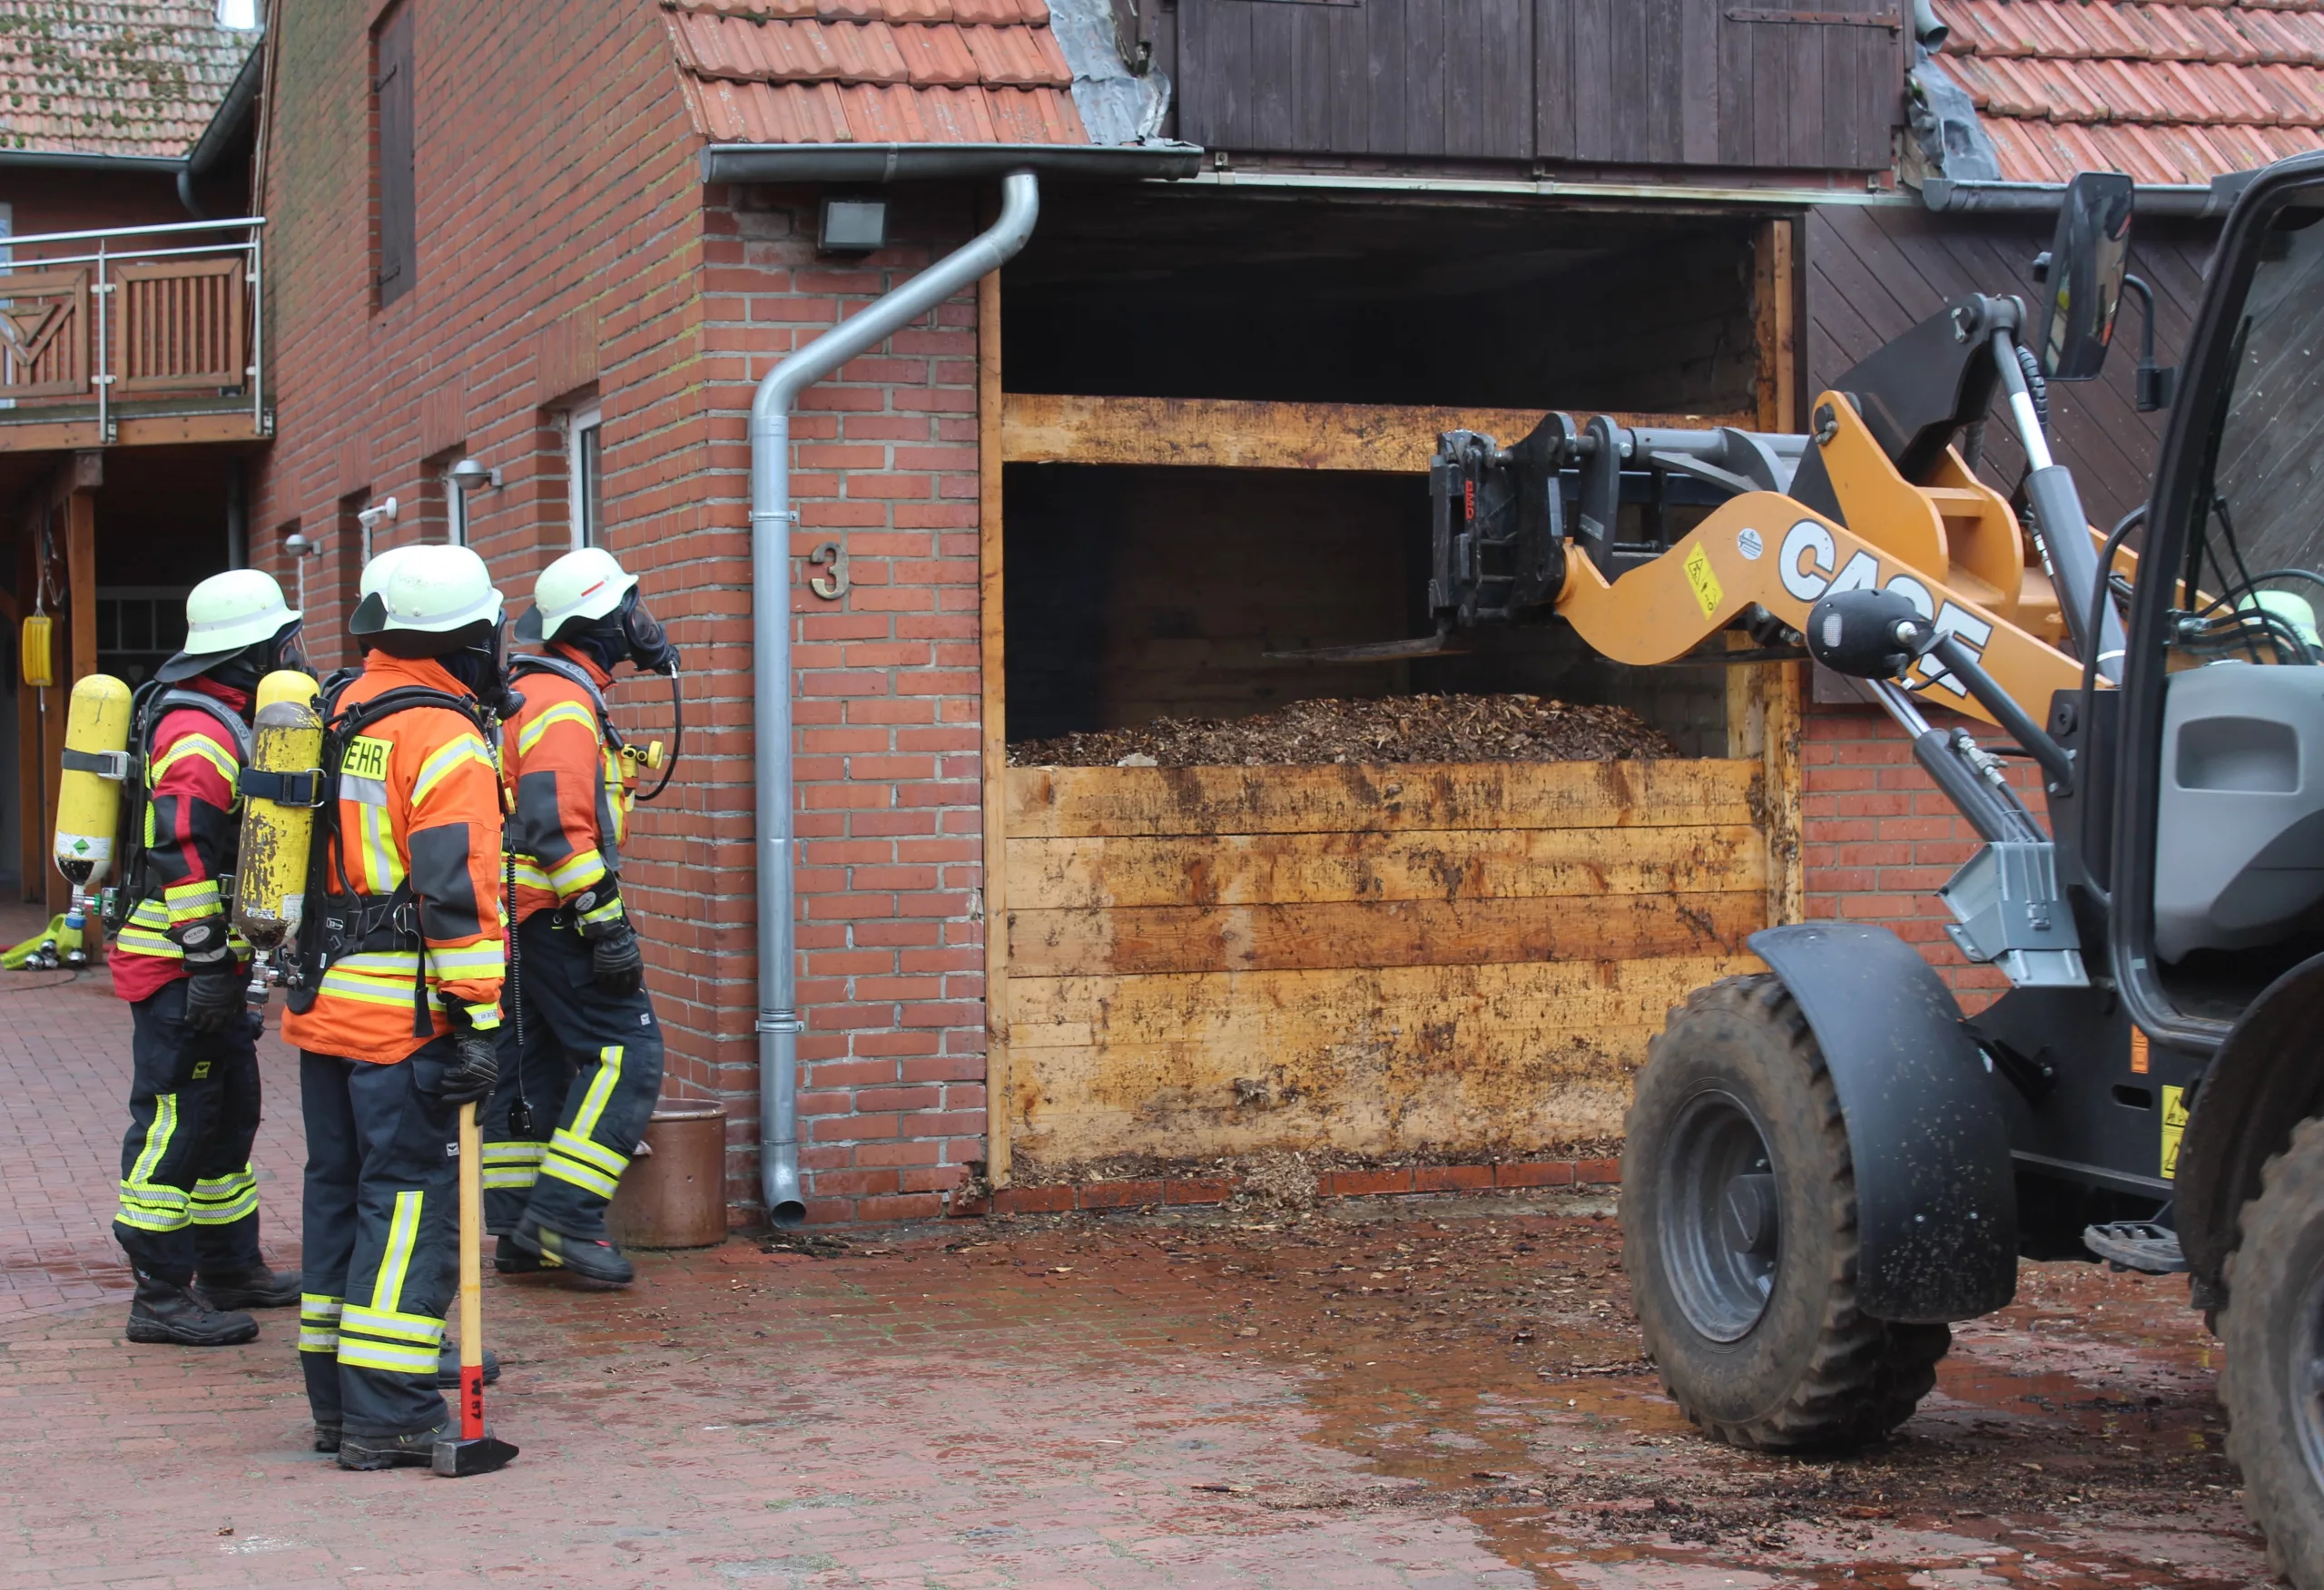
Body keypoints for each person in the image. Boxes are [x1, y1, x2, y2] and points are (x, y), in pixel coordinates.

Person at [281, 544, 509, 1469]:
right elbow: (456, 890)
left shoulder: (337, 710)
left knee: (338, 1198)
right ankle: (392, 1414)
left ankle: (337, 1408)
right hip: (405, 1023)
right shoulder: (443, 736)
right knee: (410, 1209)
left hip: (324, 1007)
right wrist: (478, 1017)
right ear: (465, 636)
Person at [108, 571, 309, 1346]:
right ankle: (159, 1294)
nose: (293, 652)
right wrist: (201, 960)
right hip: (178, 968)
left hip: (211, 966)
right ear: (249, 652)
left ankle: (230, 1267)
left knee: (228, 1117)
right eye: (282, 640)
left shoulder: (226, 719)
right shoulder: (200, 732)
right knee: (176, 1123)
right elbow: (182, 850)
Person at [481, 546, 678, 1286]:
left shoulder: (531, 690)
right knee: (628, 1055)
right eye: (629, 608)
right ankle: (566, 1218)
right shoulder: (563, 704)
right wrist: (605, 923)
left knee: (529, 1066)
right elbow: (556, 826)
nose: (641, 623)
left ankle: (520, 1230)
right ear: (598, 624)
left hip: (516, 915)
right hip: (556, 913)